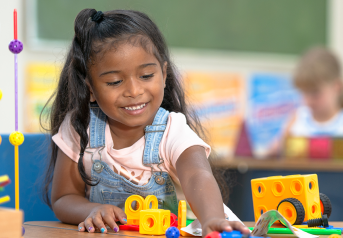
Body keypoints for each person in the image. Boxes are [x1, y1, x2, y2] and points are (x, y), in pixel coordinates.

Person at [40, 9, 249, 236]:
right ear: (90, 88)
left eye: (146, 76)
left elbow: (197, 175)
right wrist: (93, 209)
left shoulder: (173, 130)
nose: (133, 91)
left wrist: (212, 219)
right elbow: (63, 197)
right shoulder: (81, 128)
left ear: (164, 74)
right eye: (115, 81)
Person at [284, 47, 343, 138]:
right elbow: (275, 150)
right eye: (304, 92)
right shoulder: (296, 120)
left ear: (337, 86)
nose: (308, 100)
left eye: (315, 93)